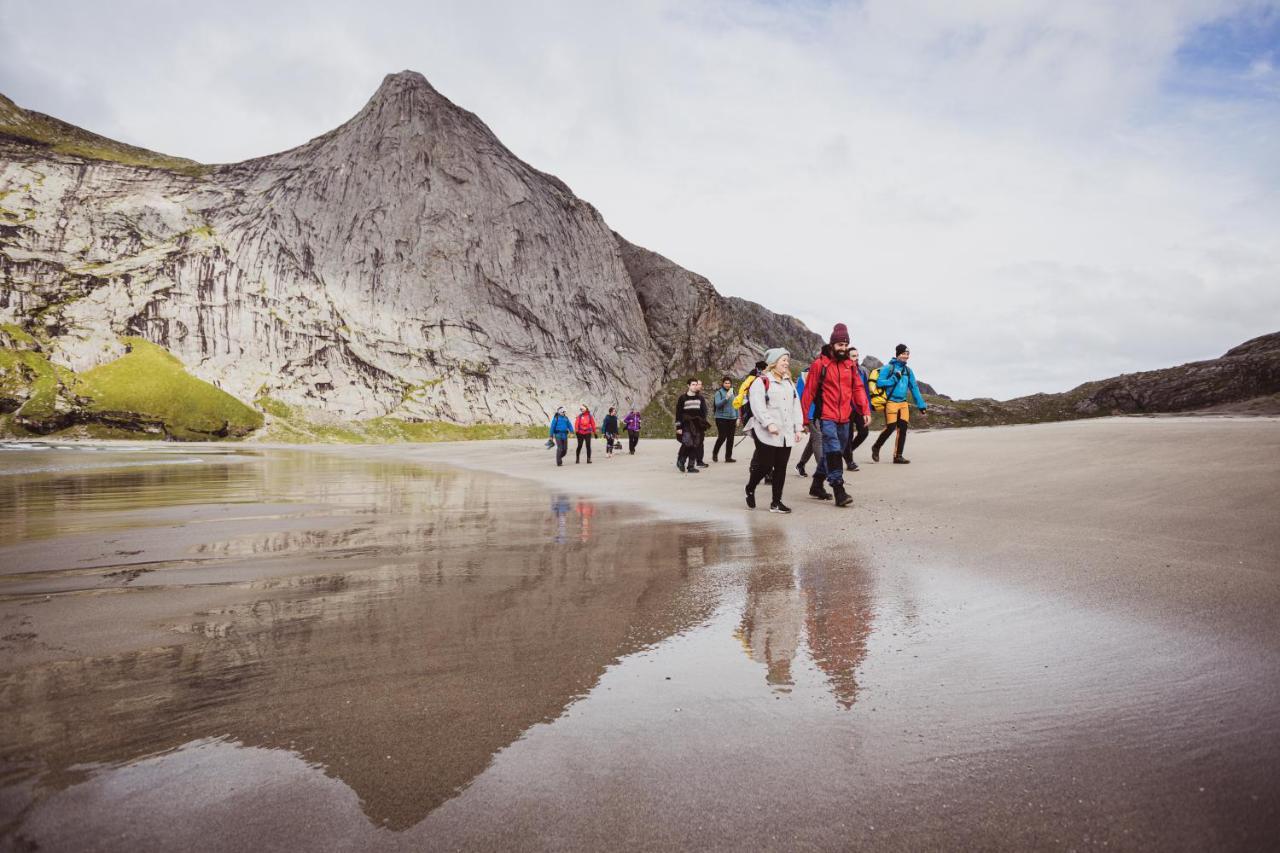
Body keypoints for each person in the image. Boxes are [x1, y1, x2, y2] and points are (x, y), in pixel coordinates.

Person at [800, 323, 870, 508]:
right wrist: (805, 418)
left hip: (845, 417)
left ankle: (816, 485)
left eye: (846, 345)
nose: (843, 349)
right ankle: (839, 489)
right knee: (832, 449)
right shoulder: (820, 364)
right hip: (826, 415)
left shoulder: (850, 366)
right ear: (832, 344)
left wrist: (865, 410)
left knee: (834, 452)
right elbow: (809, 392)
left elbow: (858, 388)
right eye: (840, 345)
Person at [744, 347, 805, 513]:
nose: (787, 363)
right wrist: (768, 423)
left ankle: (776, 502)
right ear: (774, 362)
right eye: (783, 360)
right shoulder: (761, 381)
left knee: (781, 467)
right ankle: (750, 487)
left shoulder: (789, 383)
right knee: (765, 465)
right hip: (766, 432)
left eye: (787, 360)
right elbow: (758, 405)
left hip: (785, 432)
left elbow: (796, 407)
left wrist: (798, 428)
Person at [871, 344, 927, 464]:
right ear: (898, 355)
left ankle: (898, 456)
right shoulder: (888, 368)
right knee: (891, 427)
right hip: (891, 402)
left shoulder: (908, 371)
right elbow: (880, 383)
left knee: (903, 428)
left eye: (907, 354)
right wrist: (894, 378)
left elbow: (914, 388)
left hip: (903, 403)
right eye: (903, 354)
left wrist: (921, 405)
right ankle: (876, 446)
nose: (905, 356)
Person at [843, 345, 873, 471]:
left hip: (859, 408)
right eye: (853, 356)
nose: (856, 358)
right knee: (848, 436)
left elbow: (865, 391)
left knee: (864, 432)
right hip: (847, 407)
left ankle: (847, 451)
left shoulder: (862, 371)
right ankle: (850, 461)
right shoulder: (844, 370)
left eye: (857, 356)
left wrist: (868, 409)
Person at [674, 378, 708, 474]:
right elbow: (678, 414)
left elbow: (703, 413)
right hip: (686, 424)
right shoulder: (682, 398)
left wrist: (703, 424)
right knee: (688, 442)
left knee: (696, 444)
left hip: (697, 424)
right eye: (693, 384)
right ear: (688, 386)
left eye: (696, 384)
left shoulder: (700, 398)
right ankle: (681, 460)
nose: (695, 386)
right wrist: (678, 427)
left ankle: (691, 466)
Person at [712, 376, 739, 463]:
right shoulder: (719, 393)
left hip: (732, 418)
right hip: (721, 418)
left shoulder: (733, 392)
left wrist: (738, 417)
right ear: (722, 384)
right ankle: (715, 453)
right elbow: (717, 405)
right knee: (722, 437)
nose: (727, 385)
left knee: (731, 438)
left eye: (729, 383)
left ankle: (728, 457)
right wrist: (726, 398)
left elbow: (736, 405)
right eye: (726, 383)